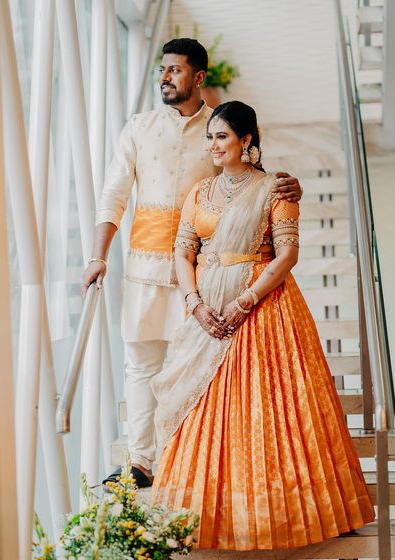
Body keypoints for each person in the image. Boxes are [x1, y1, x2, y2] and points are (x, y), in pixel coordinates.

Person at [150, 101, 375, 550]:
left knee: (275, 414)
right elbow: (182, 252)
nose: (213, 145)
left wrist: (244, 301)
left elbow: (288, 256)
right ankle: (202, 520)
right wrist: (195, 304)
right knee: (200, 410)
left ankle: (299, 513)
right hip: (207, 311)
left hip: (264, 310)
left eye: (222, 137)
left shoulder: (276, 189)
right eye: (210, 137)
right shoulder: (200, 192)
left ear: (247, 140)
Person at [82, 39, 303, 489]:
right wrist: (97, 256)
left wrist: (289, 186)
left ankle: (181, 459)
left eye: (174, 70)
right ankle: (140, 462)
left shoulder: (218, 131)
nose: (163, 77)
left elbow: (250, 183)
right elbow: (114, 195)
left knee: (190, 366)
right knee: (141, 365)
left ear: (199, 77)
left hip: (203, 278)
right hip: (143, 269)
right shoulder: (138, 128)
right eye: (161, 70)